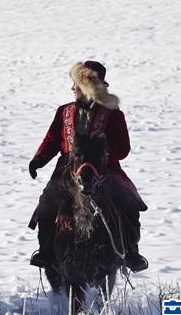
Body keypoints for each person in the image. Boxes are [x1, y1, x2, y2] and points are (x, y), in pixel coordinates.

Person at [27, 61, 149, 273]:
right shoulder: (63, 111)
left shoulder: (113, 114)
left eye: (76, 84)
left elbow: (123, 148)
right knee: (46, 203)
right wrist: (38, 160)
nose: (72, 88)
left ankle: (130, 251)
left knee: (130, 202)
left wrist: (99, 158)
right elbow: (52, 140)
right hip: (68, 170)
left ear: (88, 86)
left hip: (104, 170)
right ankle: (45, 251)